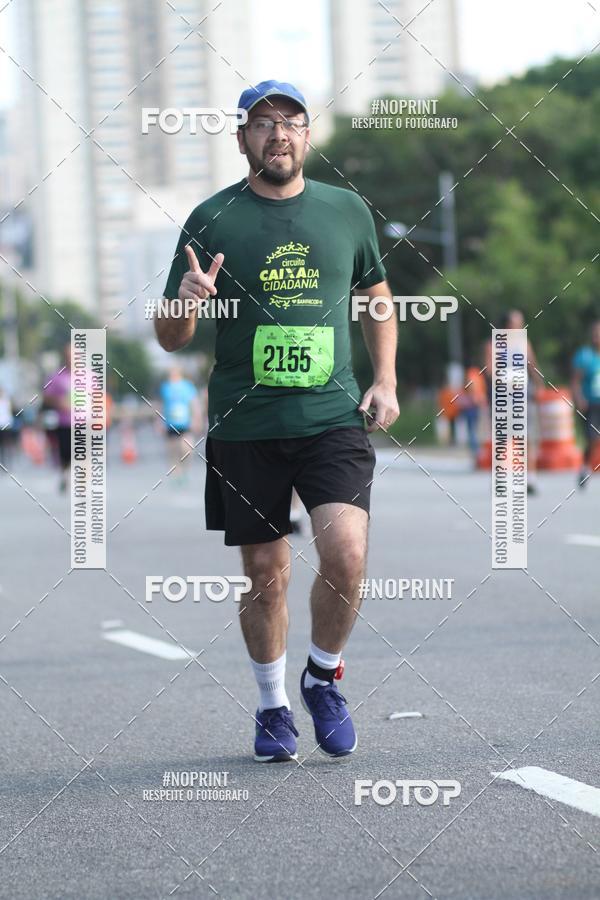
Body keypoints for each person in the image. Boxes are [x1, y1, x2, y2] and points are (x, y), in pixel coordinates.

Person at [155, 80, 399, 762]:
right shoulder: (211, 218)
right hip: (245, 423)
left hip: (332, 415)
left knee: (346, 552)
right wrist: (186, 298)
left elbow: (377, 300)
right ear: (242, 139)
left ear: (307, 135)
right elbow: (170, 338)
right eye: (263, 124)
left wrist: (385, 379)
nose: (278, 134)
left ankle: (323, 676)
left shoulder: (346, 211)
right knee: (266, 572)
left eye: (290, 122)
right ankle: (271, 706)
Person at [484, 309, 543, 494]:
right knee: (503, 439)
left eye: (520, 323)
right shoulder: (494, 344)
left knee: (526, 438)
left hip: (523, 398)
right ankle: (502, 479)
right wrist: (506, 380)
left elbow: (532, 366)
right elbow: (489, 370)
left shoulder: (524, 343)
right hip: (503, 399)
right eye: (515, 324)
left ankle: (530, 479)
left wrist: (540, 385)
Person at [158, 366, 200, 483]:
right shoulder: (165, 387)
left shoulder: (187, 386)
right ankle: (177, 475)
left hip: (185, 424)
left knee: (187, 449)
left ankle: (185, 471)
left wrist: (197, 419)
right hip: (170, 425)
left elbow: (195, 404)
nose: (172, 375)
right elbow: (161, 405)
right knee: (173, 452)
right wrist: (159, 422)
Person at [572, 320, 600, 488]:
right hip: (591, 403)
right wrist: (579, 398)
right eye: (595, 334)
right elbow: (576, 380)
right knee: (591, 437)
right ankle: (584, 468)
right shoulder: (585, 355)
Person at [43, 343, 72, 493]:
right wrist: (58, 402)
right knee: (66, 454)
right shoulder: (56, 377)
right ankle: (65, 475)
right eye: (69, 355)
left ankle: (83, 483)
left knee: (85, 453)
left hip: (85, 422)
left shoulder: (89, 376)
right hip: (64, 422)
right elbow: (46, 398)